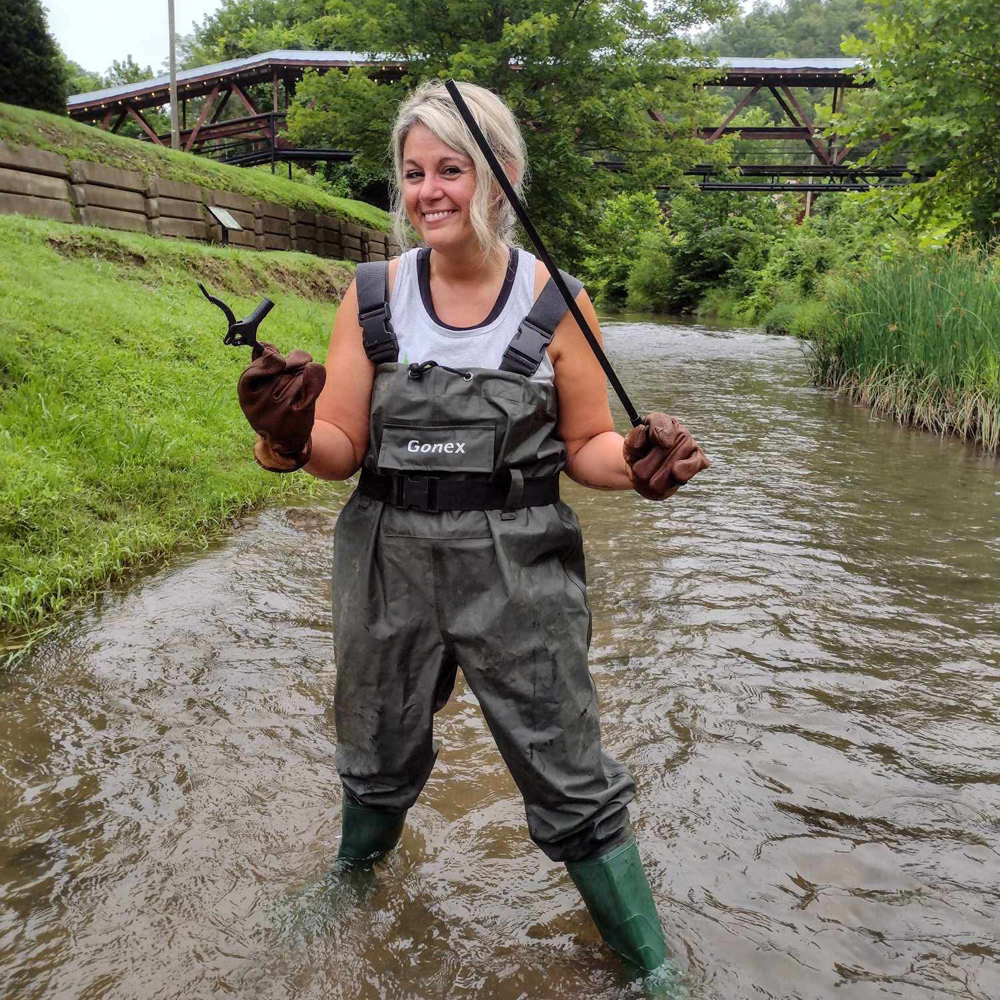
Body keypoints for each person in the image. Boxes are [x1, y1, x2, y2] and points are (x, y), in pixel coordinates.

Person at [236, 79, 710, 976]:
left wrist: (640, 460)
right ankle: (354, 869)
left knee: (566, 761)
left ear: (503, 179)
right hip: (386, 558)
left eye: (452, 168)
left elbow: (587, 446)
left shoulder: (556, 302)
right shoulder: (371, 295)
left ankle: (654, 968)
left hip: (520, 566)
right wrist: (287, 437)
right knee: (375, 732)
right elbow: (340, 448)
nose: (429, 191)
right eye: (414, 173)